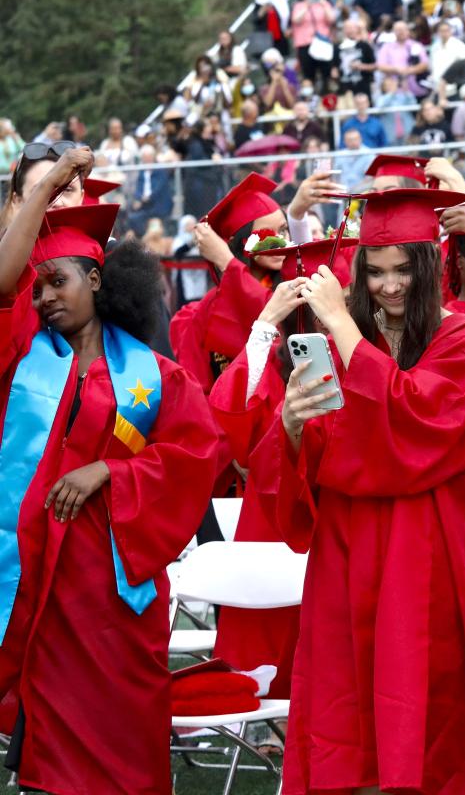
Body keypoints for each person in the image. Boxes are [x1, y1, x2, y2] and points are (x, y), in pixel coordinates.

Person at [247, 187, 465, 794]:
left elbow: (420, 426)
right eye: (375, 272)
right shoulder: (341, 348)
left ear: (428, 266)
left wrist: (341, 324)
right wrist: (290, 425)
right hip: (349, 555)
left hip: (431, 562)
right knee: (348, 721)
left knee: (426, 725)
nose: (389, 287)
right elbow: (314, 455)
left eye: (402, 271)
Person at [0, 148, 222, 794]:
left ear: (97, 280)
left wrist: (110, 472)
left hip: (117, 587)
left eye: (59, 281)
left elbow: (195, 453)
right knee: (53, 747)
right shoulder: (19, 359)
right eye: (37, 286)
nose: (44, 297)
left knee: (123, 730)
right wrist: (41, 194)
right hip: (40, 578)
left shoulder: (154, 375)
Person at [207, 237, 358, 710]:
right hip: (276, 516)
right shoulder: (274, 370)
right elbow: (237, 428)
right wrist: (265, 324)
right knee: (273, 637)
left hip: (345, 519)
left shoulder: (366, 360)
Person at [169, 170, 344, 394]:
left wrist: (228, 263)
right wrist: (228, 263)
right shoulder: (203, 311)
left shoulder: (298, 289)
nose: (280, 241)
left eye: (283, 230)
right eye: (266, 233)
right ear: (242, 243)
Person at [290, 0, 336, 93]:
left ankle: (326, 95)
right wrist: (307, 6)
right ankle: (310, 96)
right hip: (305, 44)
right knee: (308, 74)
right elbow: (295, 20)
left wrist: (324, 4)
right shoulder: (299, 5)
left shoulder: (324, 4)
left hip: (323, 44)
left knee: (326, 72)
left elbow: (332, 19)